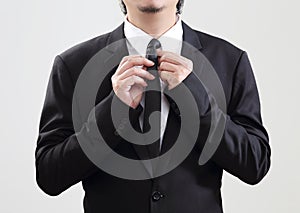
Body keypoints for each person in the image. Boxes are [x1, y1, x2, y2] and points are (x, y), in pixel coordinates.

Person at [35, 0, 271, 212]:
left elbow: (254, 164)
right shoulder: (72, 65)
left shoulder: (230, 60)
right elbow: (49, 175)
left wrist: (196, 99)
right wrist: (113, 111)